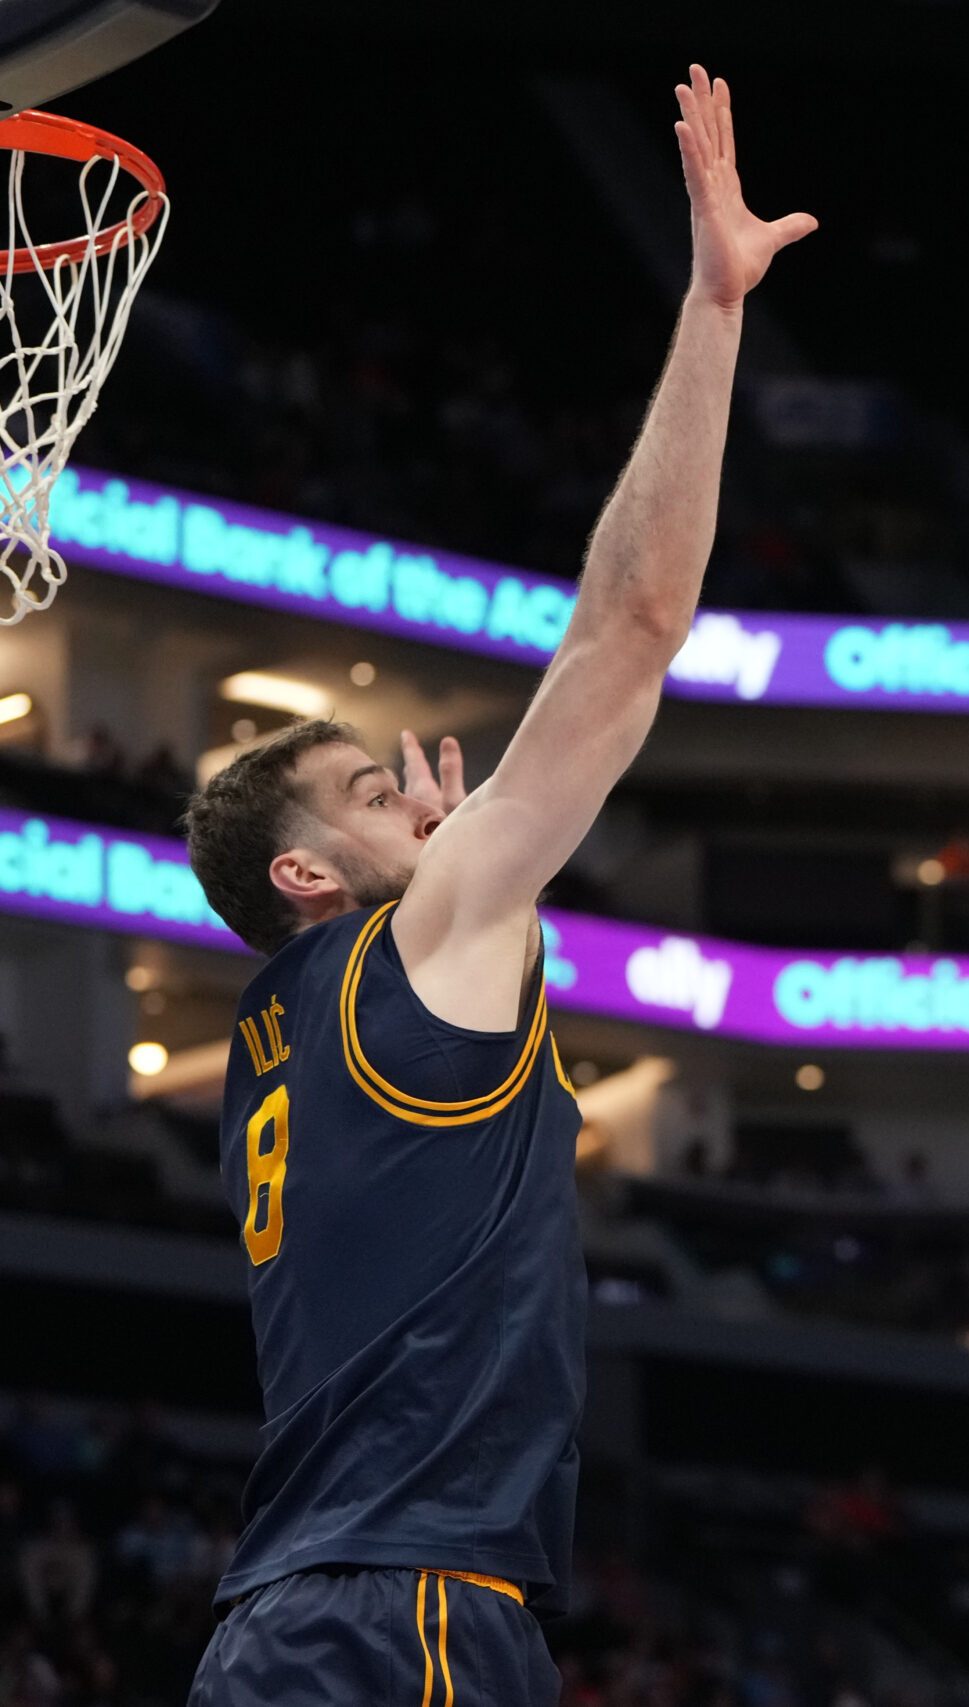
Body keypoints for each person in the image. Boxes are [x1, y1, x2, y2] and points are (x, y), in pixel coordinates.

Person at [178, 68, 813, 1707]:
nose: (418, 789)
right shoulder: (411, 947)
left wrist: (466, 907)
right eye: (370, 790)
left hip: (284, 1615)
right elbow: (631, 630)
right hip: (409, 1615)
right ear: (308, 867)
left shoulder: (280, 1020)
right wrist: (712, 307)